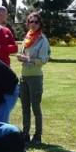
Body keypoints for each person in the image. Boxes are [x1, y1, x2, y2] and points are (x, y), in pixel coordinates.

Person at [16, 12, 51, 144]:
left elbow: (43, 60)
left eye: (36, 22)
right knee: (25, 108)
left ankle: (38, 135)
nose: (34, 24)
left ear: (40, 23)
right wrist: (21, 57)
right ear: (28, 23)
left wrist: (27, 59)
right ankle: (25, 134)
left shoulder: (43, 40)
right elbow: (23, 53)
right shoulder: (26, 38)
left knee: (36, 107)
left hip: (35, 77)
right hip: (24, 76)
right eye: (31, 22)